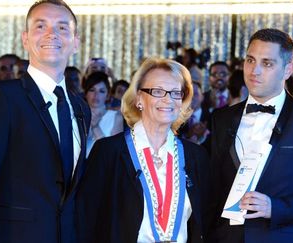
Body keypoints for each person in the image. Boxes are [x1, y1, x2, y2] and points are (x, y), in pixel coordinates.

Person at [0, 1, 91, 243]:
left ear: (76, 42)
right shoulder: (0, 98)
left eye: (62, 28)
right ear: (25, 39)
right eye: (41, 26)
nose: (52, 34)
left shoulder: (80, 107)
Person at [208, 28, 293, 243]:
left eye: (267, 63)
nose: (254, 71)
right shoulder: (221, 118)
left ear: (288, 69)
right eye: (250, 60)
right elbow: (212, 185)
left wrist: (275, 207)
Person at [76, 58, 209, 243]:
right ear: (139, 98)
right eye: (158, 91)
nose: (167, 99)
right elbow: (85, 221)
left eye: (175, 93)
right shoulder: (108, 152)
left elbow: (204, 225)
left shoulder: (196, 157)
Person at [82, 71, 124, 155]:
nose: (96, 95)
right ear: (86, 93)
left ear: (108, 95)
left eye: (101, 91)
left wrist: (95, 127)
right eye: (92, 90)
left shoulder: (115, 117)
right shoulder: (77, 115)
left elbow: (114, 152)